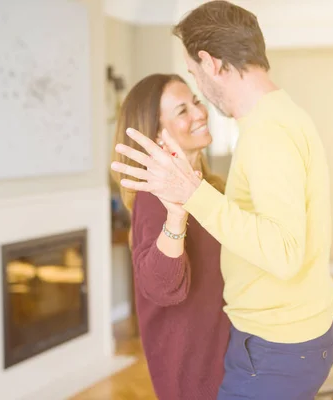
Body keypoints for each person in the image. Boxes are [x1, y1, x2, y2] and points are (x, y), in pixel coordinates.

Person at [111, 1, 333, 399]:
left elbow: (282, 252)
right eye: (182, 108)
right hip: (244, 351)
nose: (200, 100)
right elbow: (161, 285)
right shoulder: (275, 121)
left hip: (272, 348)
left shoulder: (263, 135)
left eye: (194, 76)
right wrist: (182, 204)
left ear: (209, 62)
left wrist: (192, 196)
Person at [110, 73, 230, 400]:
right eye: (182, 111)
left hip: (228, 358)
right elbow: (159, 285)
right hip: (196, 375)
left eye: (195, 101)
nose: (199, 112)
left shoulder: (213, 187)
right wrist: (177, 215)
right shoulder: (154, 199)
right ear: (156, 136)